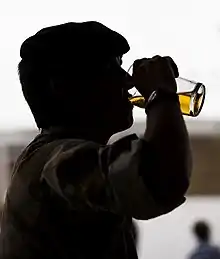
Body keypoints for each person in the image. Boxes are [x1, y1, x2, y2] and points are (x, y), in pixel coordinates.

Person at [0, 21, 192, 259]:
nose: (129, 81)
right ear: (63, 87)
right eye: (111, 68)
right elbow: (161, 181)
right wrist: (161, 94)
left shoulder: (48, 156)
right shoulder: (56, 161)